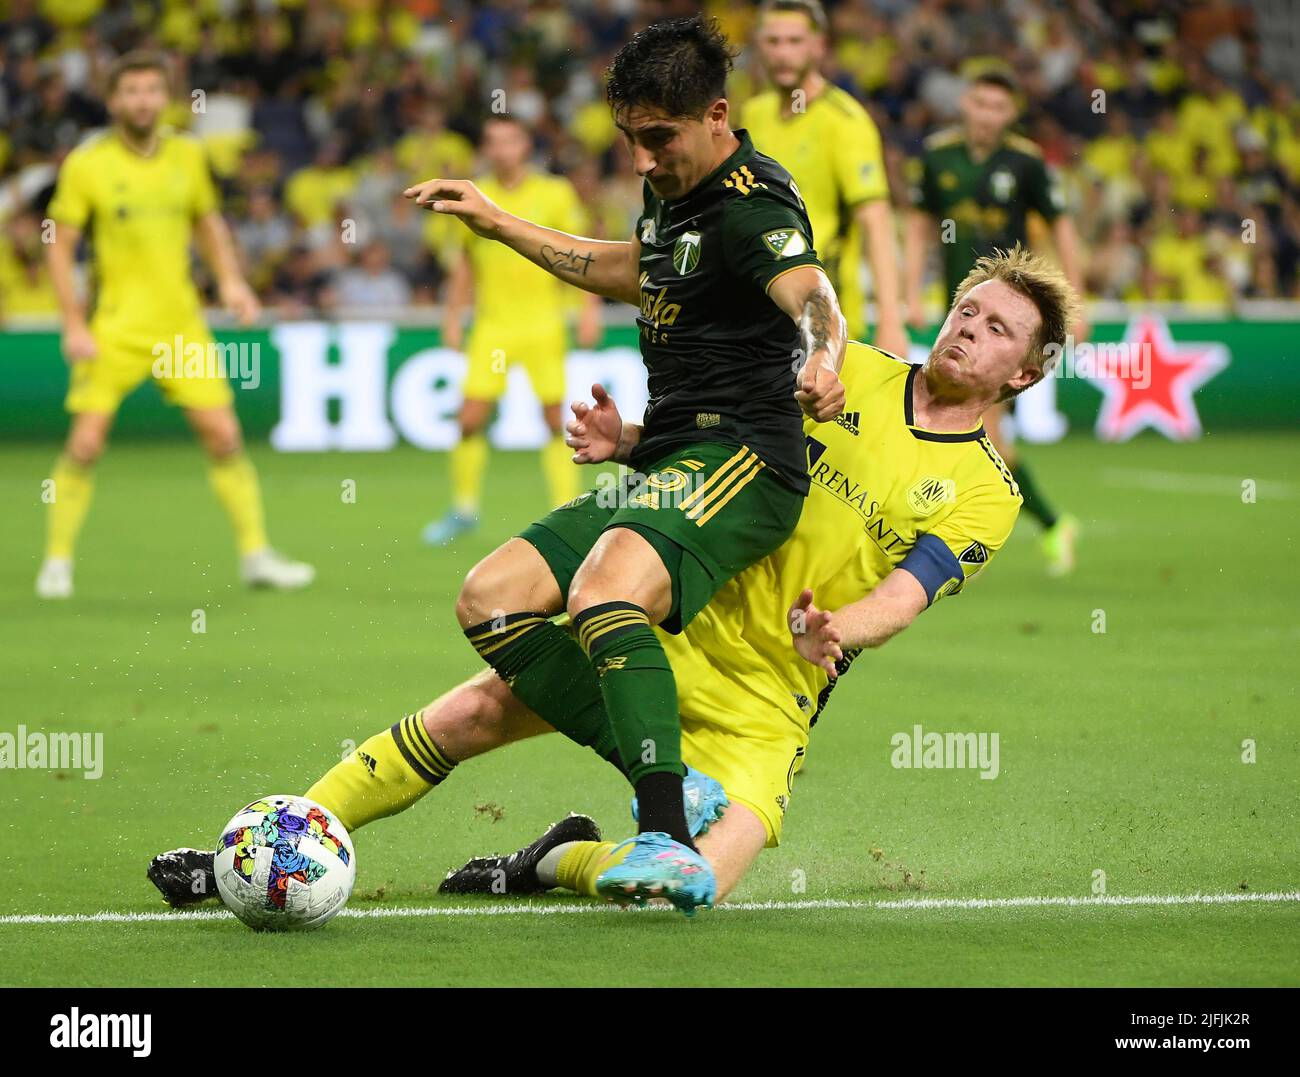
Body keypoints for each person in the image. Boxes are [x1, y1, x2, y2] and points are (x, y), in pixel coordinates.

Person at [148, 248, 1078, 917]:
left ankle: (557, 859)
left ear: (1026, 372)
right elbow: (723, 447)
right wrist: (629, 444)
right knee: (470, 713)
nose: (970, 331)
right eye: (968, 310)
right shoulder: (849, 371)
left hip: (770, 695)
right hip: (671, 619)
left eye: (999, 328)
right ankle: (271, 845)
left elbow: (906, 594)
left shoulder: (985, 493)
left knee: (693, 885)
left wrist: (840, 626)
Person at [404, 14, 847, 912]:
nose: (641, 161)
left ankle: (666, 836)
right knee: (490, 599)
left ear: (716, 115)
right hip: (670, 456)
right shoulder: (675, 192)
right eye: (628, 140)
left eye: (659, 139)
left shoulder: (753, 202)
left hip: (744, 455)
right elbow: (626, 267)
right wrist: (494, 222)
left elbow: (813, 295)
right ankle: (669, 777)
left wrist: (822, 355)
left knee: (601, 592)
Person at [36, 51, 313, 599]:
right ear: (113, 99)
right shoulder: (88, 163)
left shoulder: (188, 155)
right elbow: (59, 246)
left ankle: (257, 555)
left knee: (225, 435)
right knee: (86, 444)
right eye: (130, 91)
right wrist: (72, 322)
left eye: (150, 90)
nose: (141, 100)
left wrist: (231, 281)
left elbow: (207, 223)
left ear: (166, 97)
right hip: (115, 327)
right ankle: (57, 560)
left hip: (181, 327)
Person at [904, 68, 1086, 575]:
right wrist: (909, 289)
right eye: (980, 103)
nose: (987, 114)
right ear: (965, 103)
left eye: (998, 107)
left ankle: (1044, 523)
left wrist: (1079, 301)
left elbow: (1062, 226)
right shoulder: (937, 156)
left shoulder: (1026, 163)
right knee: (971, 427)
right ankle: (1038, 524)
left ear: (1011, 114)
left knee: (983, 432)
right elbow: (919, 226)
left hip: (1006, 321)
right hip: (957, 312)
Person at [423, 115, 601, 545]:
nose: (501, 150)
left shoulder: (554, 193)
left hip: (543, 323)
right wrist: (452, 315)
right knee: (468, 419)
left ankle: (566, 510)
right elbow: (466, 264)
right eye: (493, 142)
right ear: (486, 149)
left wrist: (589, 307)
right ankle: (464, 508)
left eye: (509, 141)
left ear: (525, 146)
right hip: (493, 328)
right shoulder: (475, 196)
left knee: (554, 421)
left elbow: (580, 253)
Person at [743, 0, 908, 357]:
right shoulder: (755, 114)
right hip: (761, 317)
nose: (783, 53)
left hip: (828, 322)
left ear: (819, 46)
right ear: (758, 46)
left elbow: (876, 221)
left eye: (794, 41)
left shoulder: (845, 121)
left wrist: (891, 321)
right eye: (773, 41)